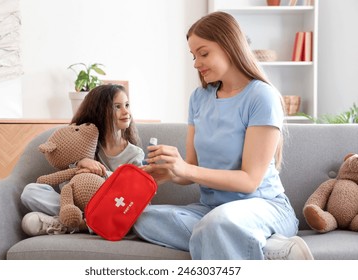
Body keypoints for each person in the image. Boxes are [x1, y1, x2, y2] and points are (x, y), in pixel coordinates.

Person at [133, 12, 314, 260]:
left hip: (263, 206)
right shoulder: (199, 98)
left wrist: (185, 170)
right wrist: (171, 172)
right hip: (212, 209)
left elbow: (249, 180)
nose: (196, 63)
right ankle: (265, 247)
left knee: (217, 224)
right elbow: (194, 167)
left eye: (204, 53)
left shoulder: (261, 96)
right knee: (142, 218)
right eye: (194, 55)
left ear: (230, 46)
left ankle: (232, 235)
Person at [20, 84, 144, 236]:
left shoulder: (135, 154)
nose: (126, 112)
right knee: (30, 192)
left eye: (127, 105)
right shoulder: (85, 142)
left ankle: (74, 224)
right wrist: (79, 163)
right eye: (117, 107)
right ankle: (77, 220)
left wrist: (105, 174)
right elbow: (66, 181)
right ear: (101, 111)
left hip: (108, 209)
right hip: (75, 203)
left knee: (135, 217)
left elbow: (134, 197)